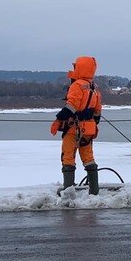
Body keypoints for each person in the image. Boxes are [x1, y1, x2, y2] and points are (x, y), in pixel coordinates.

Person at [50, 56, 103, 194]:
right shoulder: (94, 88)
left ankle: (68, 191)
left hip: (74, 129)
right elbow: (97, 111)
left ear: (80, 68)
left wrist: (57, 120)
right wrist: (93, 123)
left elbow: (71, 106)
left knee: (67, 157)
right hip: (89, 129)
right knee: (88, 158)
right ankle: (94, 191)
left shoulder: (77, 85)